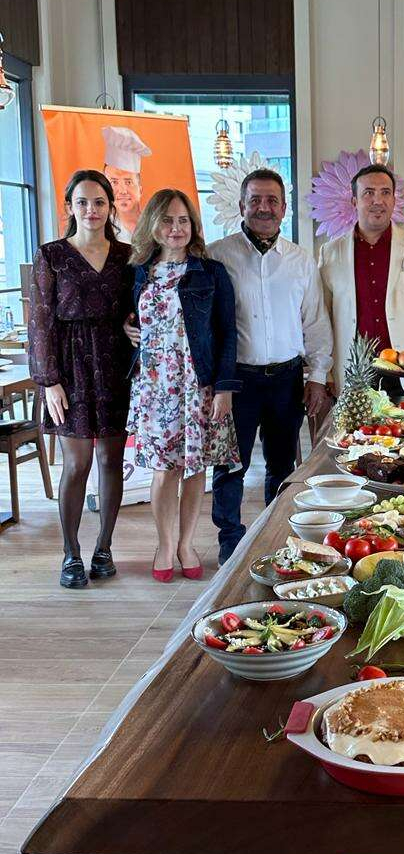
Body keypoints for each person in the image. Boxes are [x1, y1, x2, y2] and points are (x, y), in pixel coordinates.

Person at [207, 169, 333, 564]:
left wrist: (317, 377)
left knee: (282, 465)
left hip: (286, 379)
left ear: (284, 208)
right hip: (236, 381)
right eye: (256, 200)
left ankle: (273, 533)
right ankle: (230, 539)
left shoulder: (300, 260)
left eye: (272, 200)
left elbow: (315, 322)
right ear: (241, 205)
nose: (264, 208)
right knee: (231, 465)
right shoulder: (216, 256)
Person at [126, 189, 240, 582]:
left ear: (192, 226)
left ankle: (187, 544)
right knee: (164, 470)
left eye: (183, 220)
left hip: (198, 384)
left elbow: (227, 332)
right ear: (153, 225)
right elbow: (122, 317)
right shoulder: (137, 272)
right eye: (167, 220)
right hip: (155, 386)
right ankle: (164, 544)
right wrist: (124, 327)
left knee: (194, 469)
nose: (176, 228)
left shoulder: (211, 272)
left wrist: (224, 388)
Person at [28, 169, 134, 589]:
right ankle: (70, 553)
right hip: (69, 370)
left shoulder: (127, 256)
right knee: (77, 463)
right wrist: (49, 380)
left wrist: (131, 325)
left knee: (111, 460)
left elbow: (136, 308)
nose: (91, 209)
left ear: (110, 207)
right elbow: (40, 322)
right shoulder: (51, 255)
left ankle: (104, 548)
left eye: (99, 202)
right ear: (70, 207)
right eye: (83, 202)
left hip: (116, 366)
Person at [318, 164, 404, 396]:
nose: (378, 201)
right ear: (354, 201)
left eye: (385, 192)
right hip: (352, 370)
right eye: (368, 193)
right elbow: (323, 317)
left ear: (394, 200)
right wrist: (326, 373)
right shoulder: (330, 253)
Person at [102, 125, 152, 242]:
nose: (123, 191)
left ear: (140, 190)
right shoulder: (101, 231)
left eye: (128, 182)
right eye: (114, 182)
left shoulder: (155, 225)